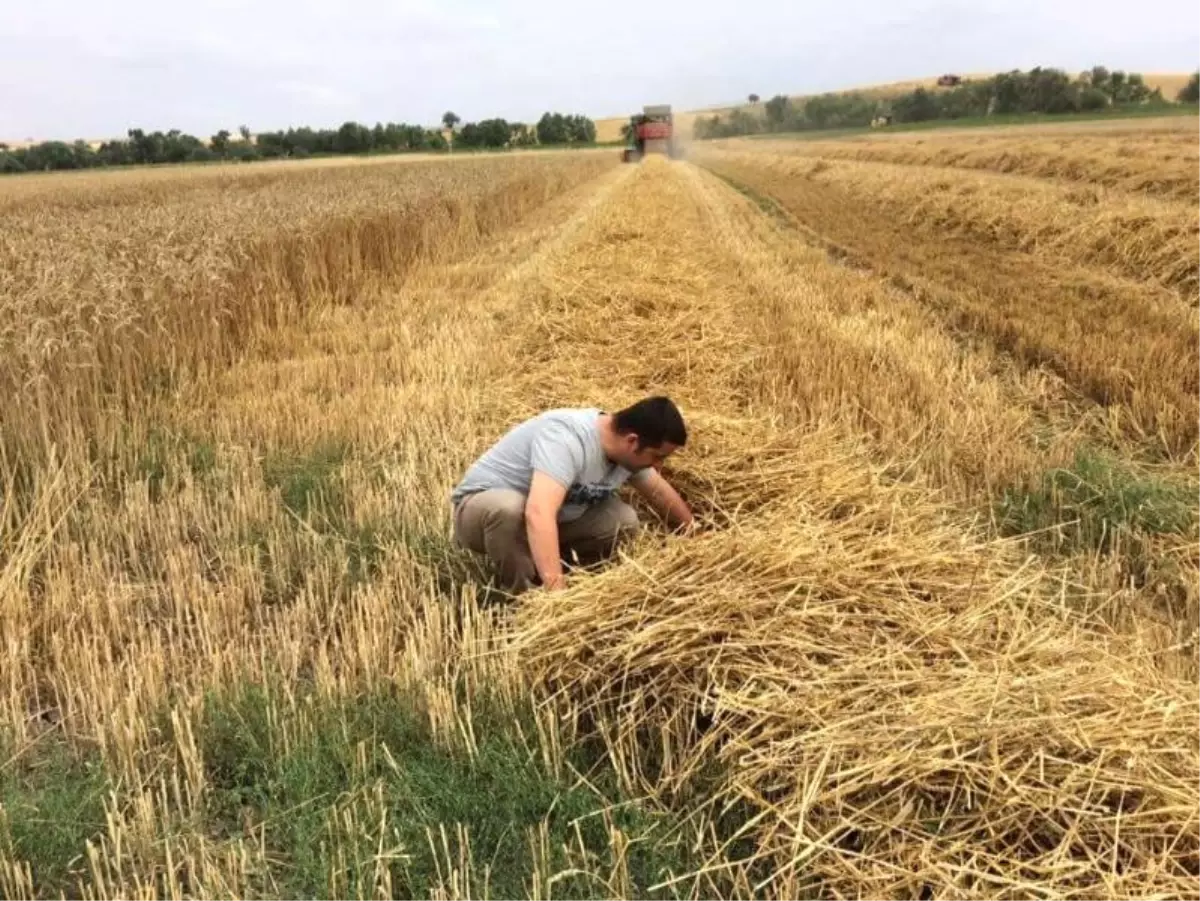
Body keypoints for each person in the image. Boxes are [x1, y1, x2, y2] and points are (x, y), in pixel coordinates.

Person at [450, 396, 694, 594]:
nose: (659, 465)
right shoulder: (567, 439)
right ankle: (524, 597)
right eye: (657, 456)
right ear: (633, 441)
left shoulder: (626, 454)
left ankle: (549, 565)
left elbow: (659, 492)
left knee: (623, 521)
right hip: (481, 513)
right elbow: (539, 513)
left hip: (544, 519)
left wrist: (694, 533)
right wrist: (559, 599)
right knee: (508, 508)